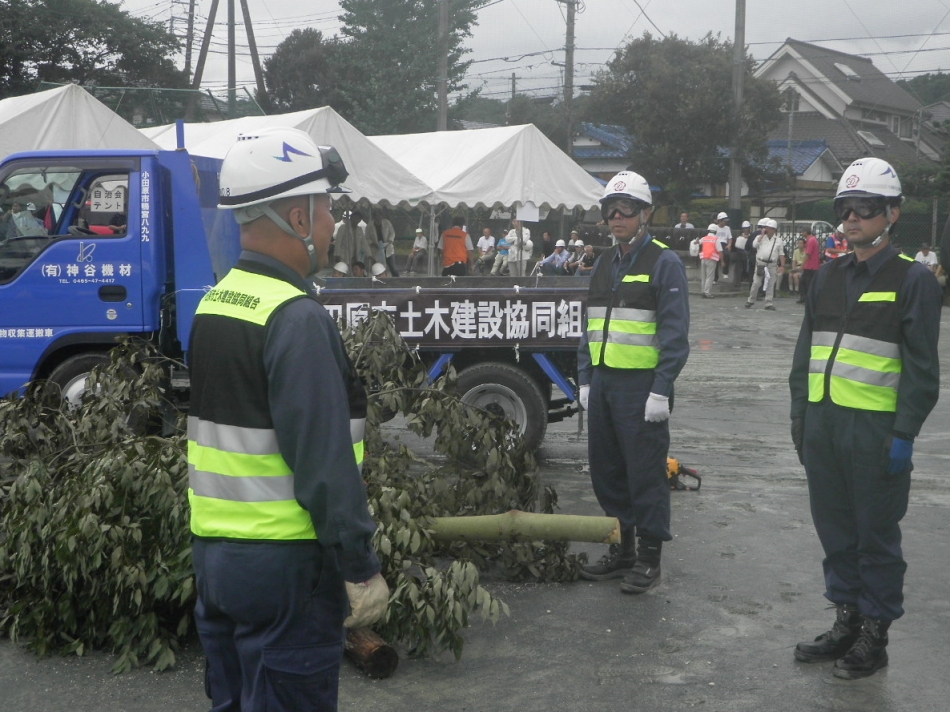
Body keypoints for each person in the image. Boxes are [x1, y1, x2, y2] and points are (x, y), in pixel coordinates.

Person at [188, 128, 389, 711]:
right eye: (327, 211)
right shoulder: (295, 318)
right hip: (286, 563)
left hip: (217, 559)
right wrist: (359, 565)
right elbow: (324, 462)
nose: (331, 228)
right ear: (298, 216)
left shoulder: (217, 301)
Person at [789, 157, 941, 680]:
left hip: (876, 433)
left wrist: (904, 433)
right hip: (825, 426)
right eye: (845, 208)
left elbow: (922, 368)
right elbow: (804, 354)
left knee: (875, 535)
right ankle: (846, 620)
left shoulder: (914, 280)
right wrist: (801, 419)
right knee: (834, 530)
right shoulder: (827, 275)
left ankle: (874, 635)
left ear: (892, 213)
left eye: (866, 208)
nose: (852, 218)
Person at [576, 170, 690, 594]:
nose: (617, 217)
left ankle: (649, 558)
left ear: (645, 214)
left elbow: (675, 337)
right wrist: (586, 379)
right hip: (604, 383)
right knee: (608, 472)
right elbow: (587, 327)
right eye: (610, 210)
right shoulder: (604, 263)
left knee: (645, 474)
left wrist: (661, 389)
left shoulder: (664, 262)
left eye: (626, 209)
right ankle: (622, 552)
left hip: (642, 389)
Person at [744, 218, 785, 310]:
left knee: (771, 283)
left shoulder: (778, 240)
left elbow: (781, 254)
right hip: (761, 263)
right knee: (756, 282)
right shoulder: (760, 238)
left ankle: (768, 302)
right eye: (766, 228)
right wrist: (761, 236)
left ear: (774, 230)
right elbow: (754, 245)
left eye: (769, 228)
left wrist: (782, 265)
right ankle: (751, 300)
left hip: (772, 264)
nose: (767, 230)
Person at [798, 228, 821, 304]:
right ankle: (804, 298)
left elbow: (808, 254)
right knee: (803, 282)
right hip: (812, 265)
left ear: (806, 232)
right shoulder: (813, 239)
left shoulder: (811, 240)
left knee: (807, 283)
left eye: (802, 231)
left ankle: (809, 299)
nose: (801, 233)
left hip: (810, 266)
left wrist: (802, 265)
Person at [699, 223, 722, 299]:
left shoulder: (704, 238)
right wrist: (723, 261)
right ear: (715, 231)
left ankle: (703, 291)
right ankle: (707, 292)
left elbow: (697, 242)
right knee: (710, 277)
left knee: (703, 276)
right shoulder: (716, 239)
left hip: (703, 258)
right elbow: (720, 251)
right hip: (711, 259)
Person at [714, 211, 732, 281]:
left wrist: (729, 244)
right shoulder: (715, 227)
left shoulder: (727, 228)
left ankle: (725, 272)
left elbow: (730, 238)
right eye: (724, 221)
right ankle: (715, 278)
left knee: (727, 255)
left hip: (724, 244)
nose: (725, 223)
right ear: (720, 221)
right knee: (715, 258)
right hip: (716, 244)